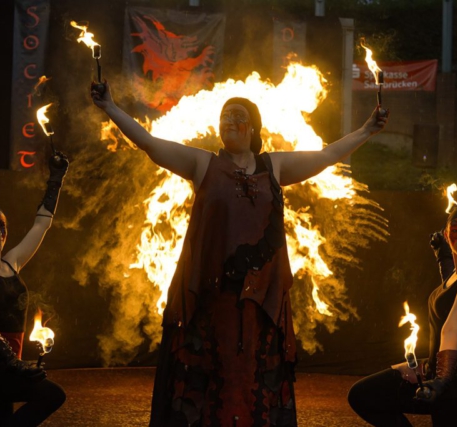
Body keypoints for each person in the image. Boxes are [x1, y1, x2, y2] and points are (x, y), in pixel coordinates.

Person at [92, 82, 388, 427]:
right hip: (213, 298)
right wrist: (110, 108)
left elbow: (325, 157)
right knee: (213, 381)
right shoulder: (203, 163)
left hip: (261, 302)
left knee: (253, 382)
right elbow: (149, 143)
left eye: (238, 115)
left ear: (254, 127)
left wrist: (367, 130)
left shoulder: (273, 166)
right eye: (224, 116)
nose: (229, 120)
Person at [348, 206, 457, 426]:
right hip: (439, 371)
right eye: (456, 231)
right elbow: (452, 292)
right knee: (365, 395)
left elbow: (453, 327)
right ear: (447, 235)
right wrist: (444, 258)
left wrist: (441, 381)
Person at [0, 152, 69, 427]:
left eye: (1, 226)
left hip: (2, 364)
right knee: (52, 395)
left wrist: (56, 179)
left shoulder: (12, 263)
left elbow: (41, 224)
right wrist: (14, 363)